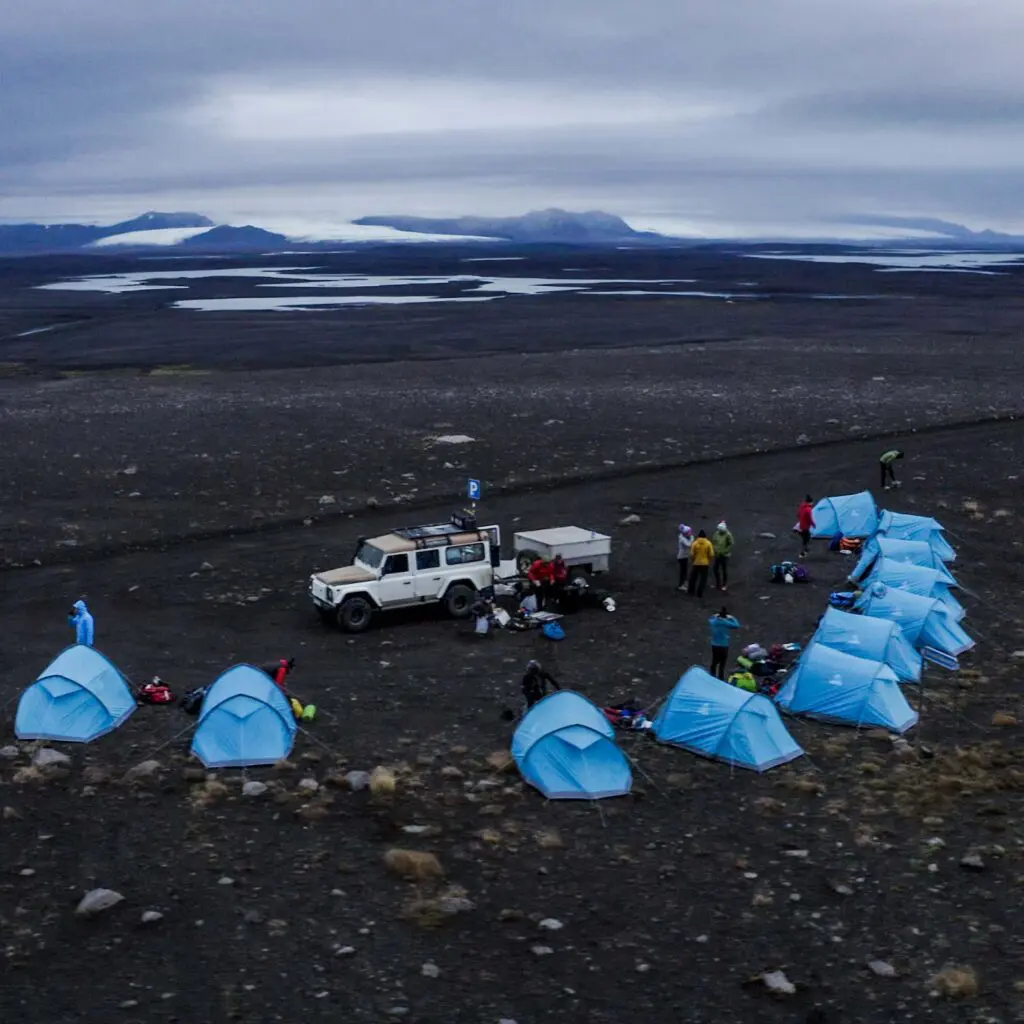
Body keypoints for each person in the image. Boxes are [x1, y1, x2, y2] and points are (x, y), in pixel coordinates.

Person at [708, 607, 741, 679]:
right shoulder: (726, 623)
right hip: (724, 645)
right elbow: (737, 625)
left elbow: (710, 619)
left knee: (714, 660)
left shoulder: (714, 622)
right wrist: (732, 617)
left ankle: (712, 675)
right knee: (722, 663)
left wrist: (715, 616)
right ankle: (721, 677)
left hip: (715, 644)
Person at [688, 530, 714, 597]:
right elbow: (711, 554)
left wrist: (693, 560)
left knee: (693, 577)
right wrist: (708, 560)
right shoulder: (708, 543)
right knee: (703, 579)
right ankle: (699, 593)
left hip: (696, 562)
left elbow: (691, 554)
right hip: (705, 563)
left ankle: (691, 591)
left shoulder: (695, 543)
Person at [712, 521, 734, 592]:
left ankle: (724, 584)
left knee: (724, 570)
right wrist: (715, 548)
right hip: (718, 554)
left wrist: (725, 550)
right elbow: (714, 540)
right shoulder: (717, 533)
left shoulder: (728, 534)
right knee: (715, 569)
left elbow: (731, 543)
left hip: (724, 555)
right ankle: (718, 583)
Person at [676, 524, 693, 591]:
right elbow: (688, 544)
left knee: (685, 571)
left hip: (685, 556)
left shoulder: (684, 537)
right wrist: (692, 538)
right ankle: (681, 585)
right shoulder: (682, 539)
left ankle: (684, 583)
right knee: (683, 572)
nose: (691, 533)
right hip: (682, 557)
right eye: (689, 532)